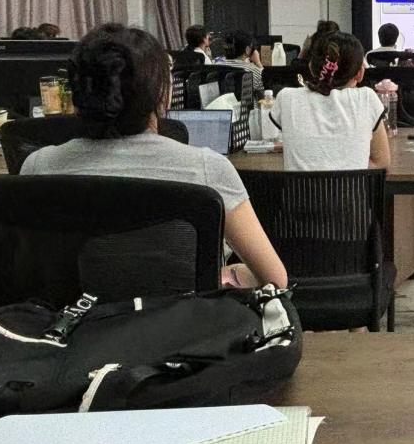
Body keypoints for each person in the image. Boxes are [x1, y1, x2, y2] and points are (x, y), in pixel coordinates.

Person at [20, 23, 288, 289]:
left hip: (77, 316)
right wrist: (225, 274)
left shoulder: (37, 166)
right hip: (184, 316)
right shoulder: (207, 169)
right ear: (163, 94)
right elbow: (275, 279)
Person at [269, 31, 390, 171]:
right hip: (352, 186)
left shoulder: (286, 98)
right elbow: (382, 164)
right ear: (360, 73)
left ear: (311, 67)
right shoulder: (367, 98)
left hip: (299, 186)